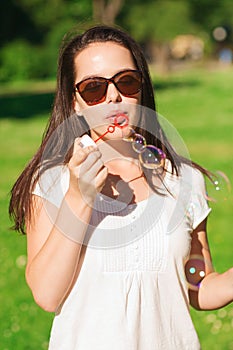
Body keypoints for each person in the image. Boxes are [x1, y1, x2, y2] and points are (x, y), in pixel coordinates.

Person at [9, 25, 233, 350]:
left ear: (141, 88)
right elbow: (46, 294)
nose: (114, 96)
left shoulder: (184, 179)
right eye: (94, 88)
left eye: (126, 81)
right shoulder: (51, 182)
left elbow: (198, 284)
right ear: (75, 103)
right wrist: (79, 197)